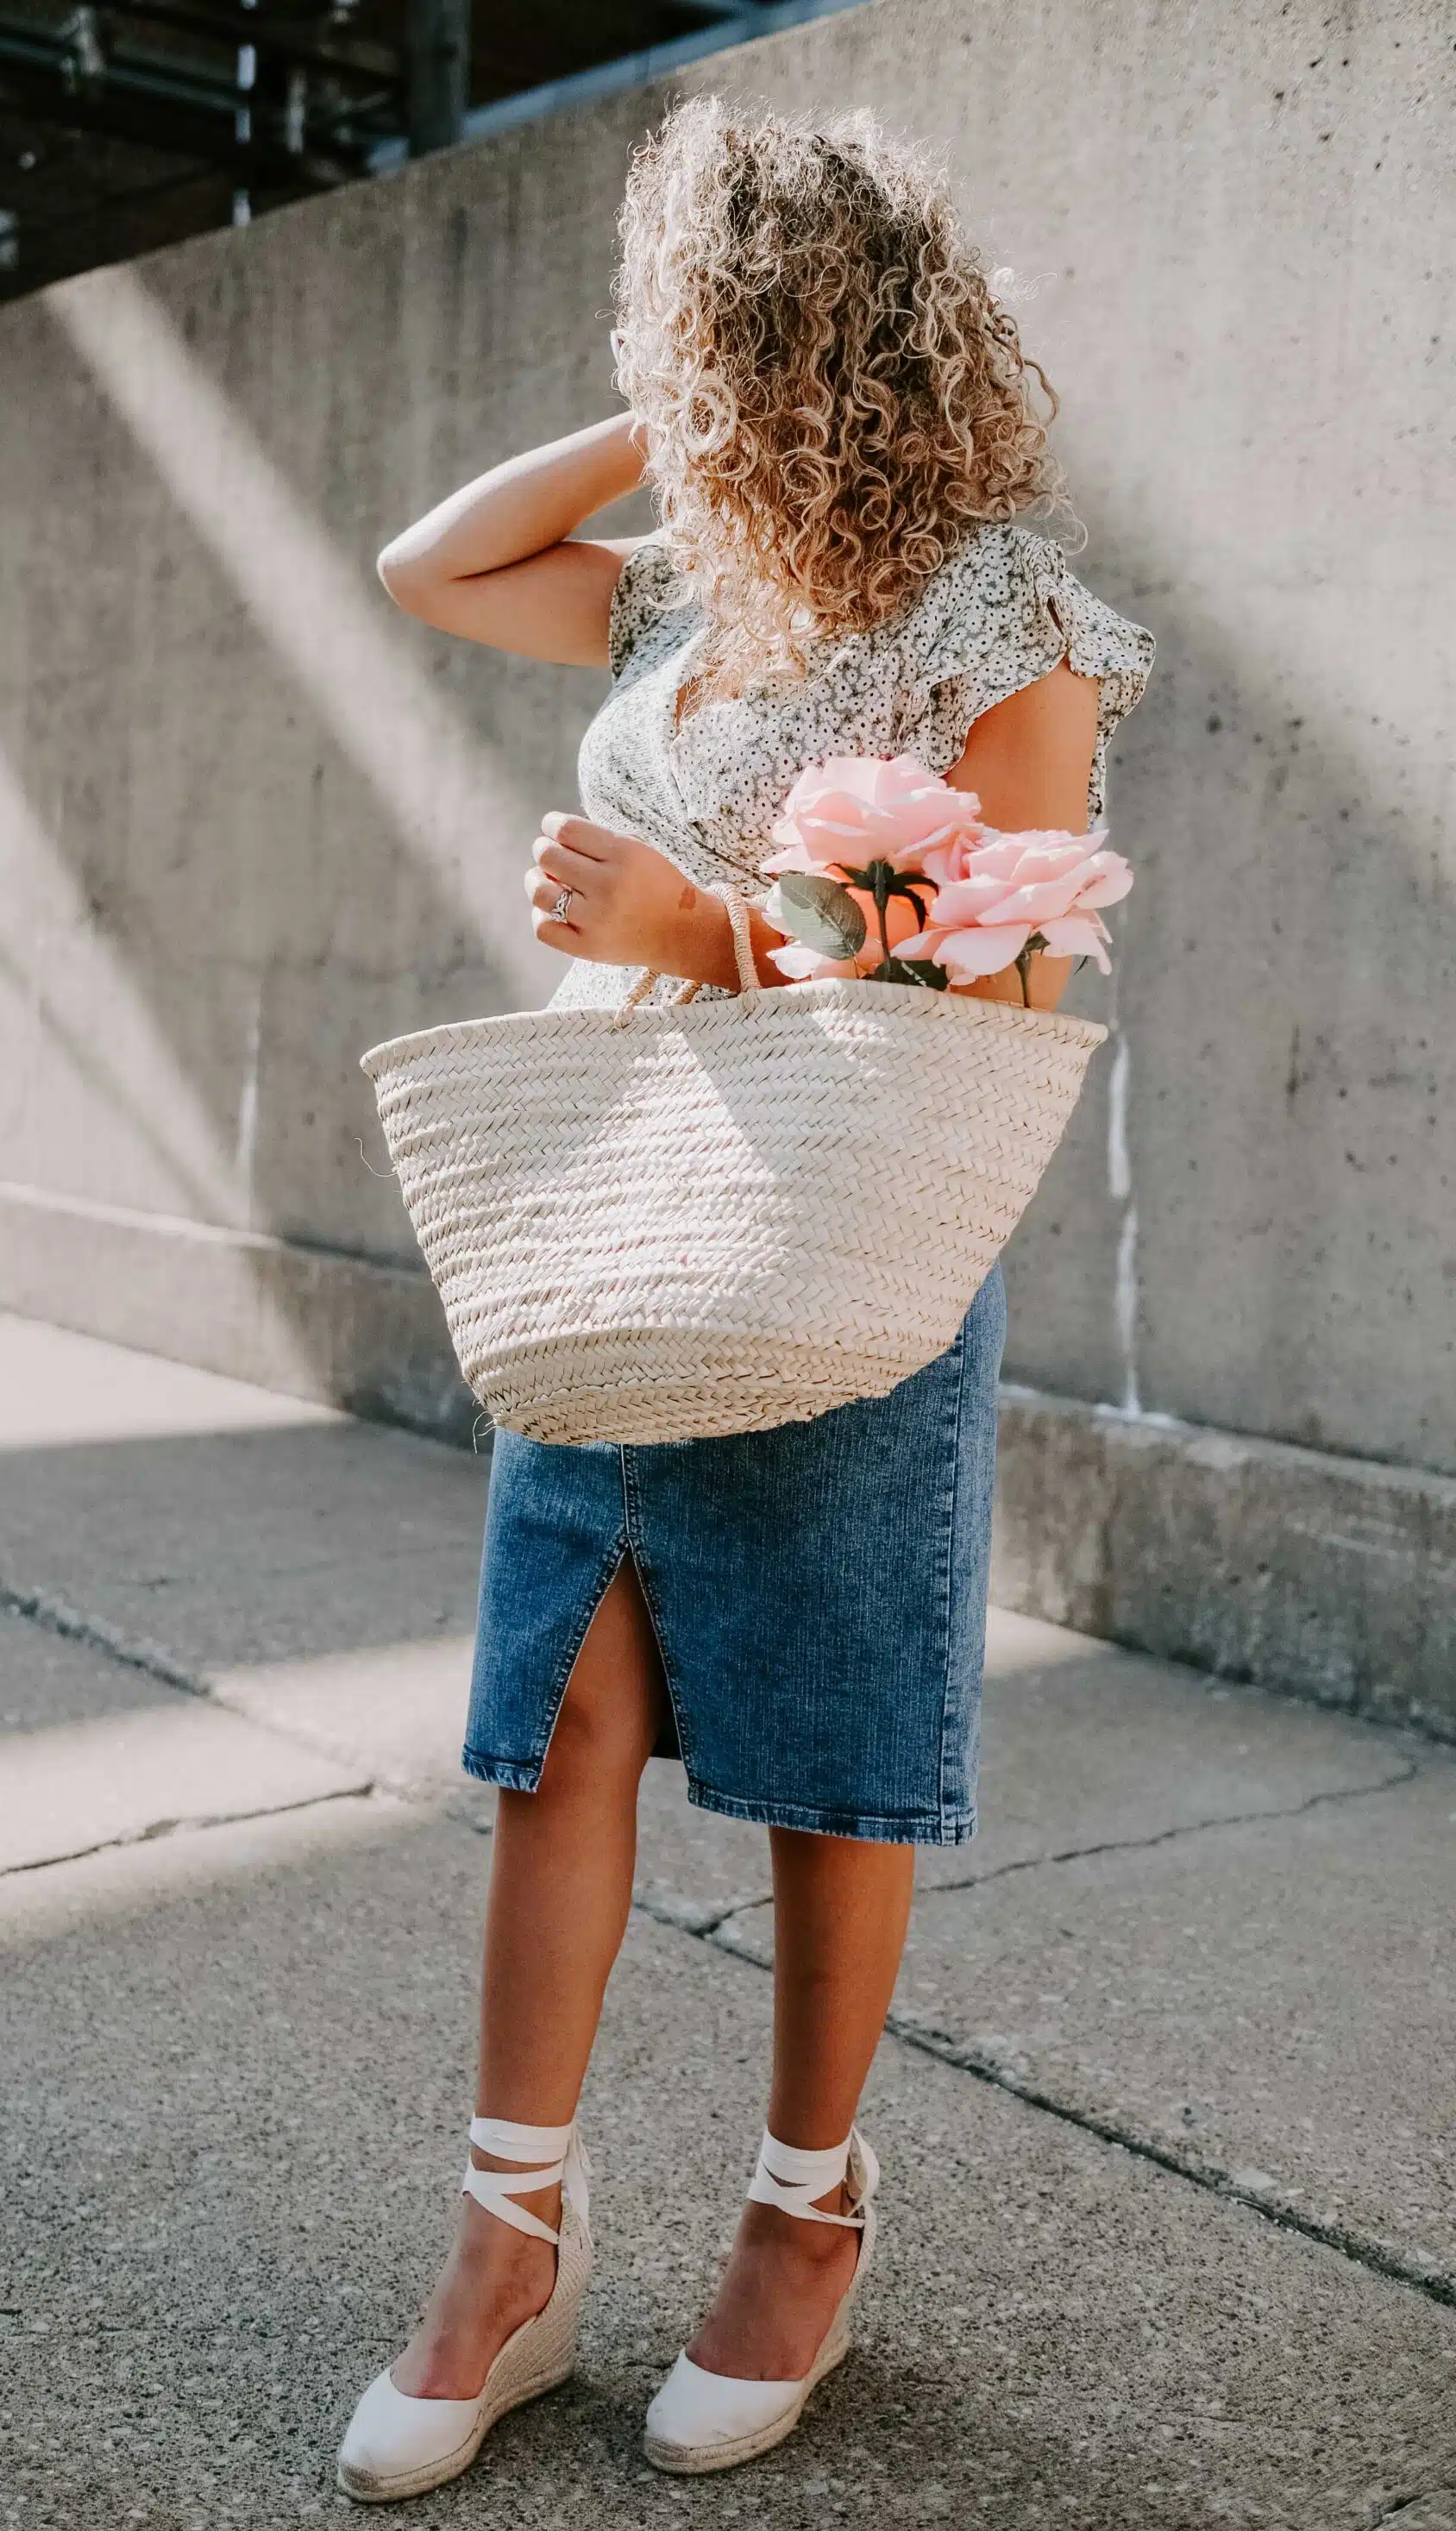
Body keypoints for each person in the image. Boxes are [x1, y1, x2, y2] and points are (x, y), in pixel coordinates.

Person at [338, 97, 1152, 2499]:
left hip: (851, 1228)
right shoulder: (686, 575)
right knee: (558, 1721)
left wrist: (706, 931)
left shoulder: (1007, 621)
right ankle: (511, 2251)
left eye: (697, 330)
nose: (672, 375)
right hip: (618, 1197)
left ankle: (807, 2215)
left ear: (813, 335)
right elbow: (427, 561)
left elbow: (1012, 1001)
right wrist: (680, 428)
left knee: (825, 1743)